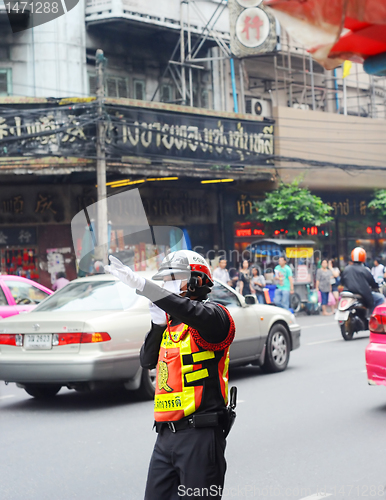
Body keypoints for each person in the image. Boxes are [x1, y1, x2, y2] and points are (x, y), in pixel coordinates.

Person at [105, 250, 235, 500]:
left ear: (196, 280)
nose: (167, 285)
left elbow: (192, 312)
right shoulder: (170, 324)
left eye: (173, 277)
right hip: (165, 437)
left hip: (200, 436)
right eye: (164, 280)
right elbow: (147, 360)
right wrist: (157, 324)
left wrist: (145, 286)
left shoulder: (215, 317)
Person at [341, 247, 385, 314]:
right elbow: (372, 283)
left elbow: (342, 282)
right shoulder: (365, 270)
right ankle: (371, 316)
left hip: (349, 293)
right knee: (380, 297)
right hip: (363, 294)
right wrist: (376, 286)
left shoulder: (346, 269)